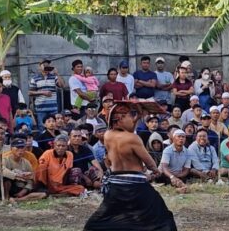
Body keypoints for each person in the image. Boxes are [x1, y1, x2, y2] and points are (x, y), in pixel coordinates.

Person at [84, 102, 177, 231]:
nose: (133, 119)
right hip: (136, 185)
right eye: (130, 116)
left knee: (103, 219)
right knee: (160, 215)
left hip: (116, 183)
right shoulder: (133, 138)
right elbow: (150, 162)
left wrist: (138, 116)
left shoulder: (107, 135)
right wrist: (156, 171)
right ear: (120, 118)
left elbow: (127, 128)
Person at [0, 138, 46, 202]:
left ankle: (17, 200)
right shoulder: (5, 159)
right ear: (11, 148)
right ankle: (6, 198)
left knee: (44, 194)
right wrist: (16, 175)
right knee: (4, 178)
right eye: (17, 148)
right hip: (10, 187)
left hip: (21, 188)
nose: (20, 150)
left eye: (22, 148)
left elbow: (31, 179)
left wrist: (25, 190)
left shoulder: (26, 162)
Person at [29, 59, 65, 129]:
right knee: (42, 126)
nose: (46, 66)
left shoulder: (54, 77)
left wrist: (57, 74)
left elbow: (62, 85)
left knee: (54, 126)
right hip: (41, 108)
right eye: (44, 65)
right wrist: (43, 92)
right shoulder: (35, 78)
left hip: (53, 108)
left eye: (47, 65)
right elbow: (30, 92)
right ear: (40, 67)